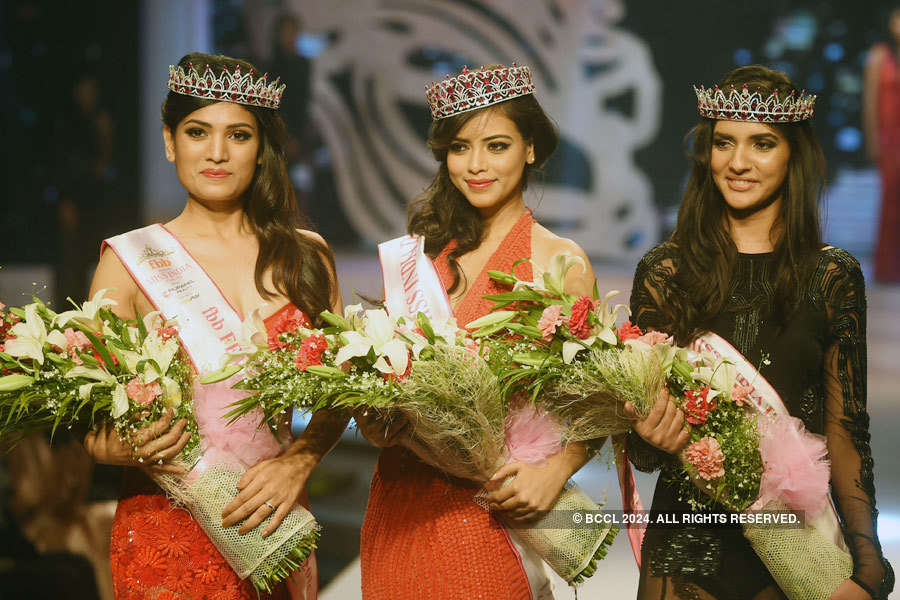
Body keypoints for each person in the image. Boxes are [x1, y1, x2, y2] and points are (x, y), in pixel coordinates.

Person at [82, 52, 348, 600]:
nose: (218, 153)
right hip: (167, 533)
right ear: (168, 141)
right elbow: (93, 433)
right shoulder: (129, 261)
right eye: (198, 132)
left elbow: (339, 393)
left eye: (239, 135)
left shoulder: (307, 258)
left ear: (262, 148)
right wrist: (124, 447)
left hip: (271, 516)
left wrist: (300, 460)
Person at [624, 65, 894, 600]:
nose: (738, 162)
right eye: (724, 142)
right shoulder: (666, 272)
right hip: (687, 550)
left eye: (762, 144)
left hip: (795, 549)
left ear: (793, 154)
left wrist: (869, 567)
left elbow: (846, 431)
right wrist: (648, 433)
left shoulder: (832, 276)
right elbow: (645, 452)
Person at [354, 64, 597, 599]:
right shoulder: (421, 258)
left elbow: (599, 398)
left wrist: (556, 470)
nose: (477, 165)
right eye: (461, 148)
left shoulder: (559, 260)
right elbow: (387, 391)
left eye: (497, 145)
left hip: (493, 508)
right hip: (401, 500)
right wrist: (373, 417)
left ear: (530, 149)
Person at [863, 5, 900, 284]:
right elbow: (869, 102)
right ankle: (887, 270)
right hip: (889, 138)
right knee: (890, 203)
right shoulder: (879, 55)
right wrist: (872, 141)